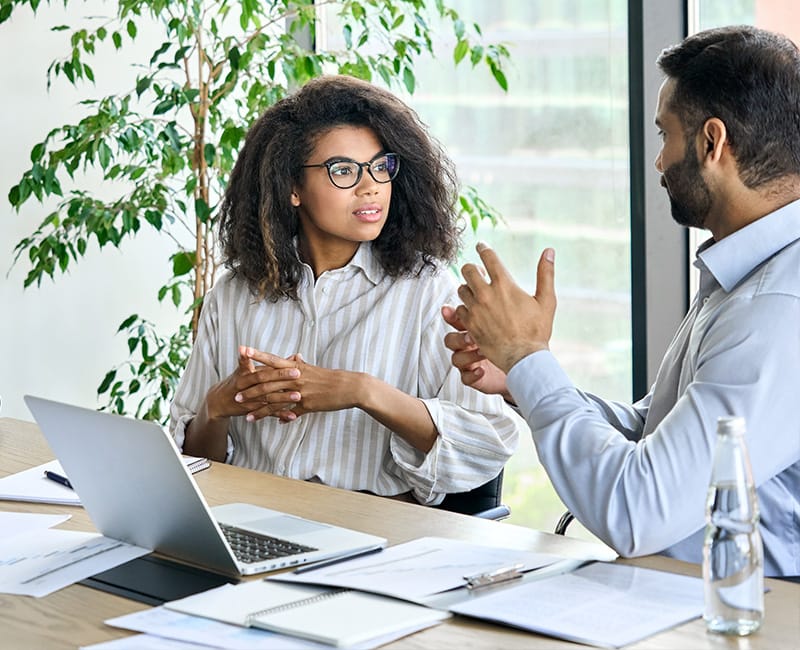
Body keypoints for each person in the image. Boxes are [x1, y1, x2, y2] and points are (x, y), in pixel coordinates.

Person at [443, 26, 800, 576]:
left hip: (750, 614)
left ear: (712, 143)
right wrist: (522, 377)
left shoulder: (777, 305)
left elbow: (637, 508)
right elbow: (654, 433)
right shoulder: (747, 269)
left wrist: (528, 357)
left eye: (665, 135)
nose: (659, 163)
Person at [170, 75, 520, 506]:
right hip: (246, 516)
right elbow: (197, 468)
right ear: (292, 188)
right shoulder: (235, 294)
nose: (370, 185)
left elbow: (483, 446)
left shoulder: (429, 292)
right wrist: (216, 407)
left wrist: (362, 391)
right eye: (343, 170)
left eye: (379, 166)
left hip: (371, 532)